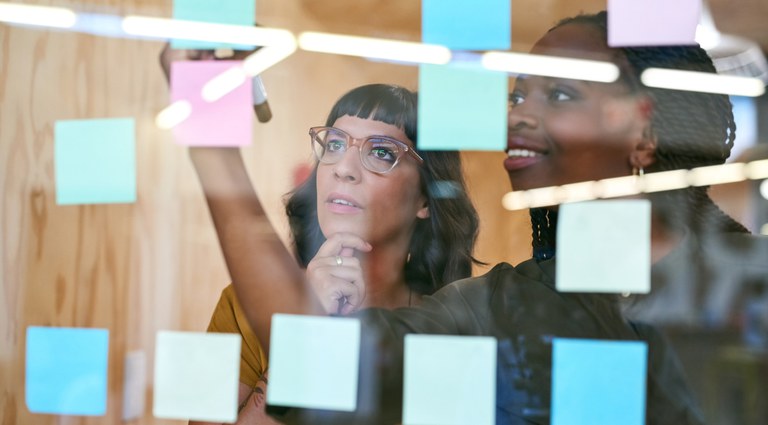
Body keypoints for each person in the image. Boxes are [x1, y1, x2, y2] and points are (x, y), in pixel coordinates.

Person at [192, 10, 768, 424]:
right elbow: (318, 358)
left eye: (560, 96)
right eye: (518, 96)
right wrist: (209, 134)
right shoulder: (495, 305)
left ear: (643, 134)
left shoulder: (748, 281)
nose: (519, 116)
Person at [161, 43, 482, 425]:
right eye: (334, 144)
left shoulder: (451, 323)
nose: (343, 168)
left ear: (426, 199)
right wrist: (306, 330)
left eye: (381, 152)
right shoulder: (239, 304)